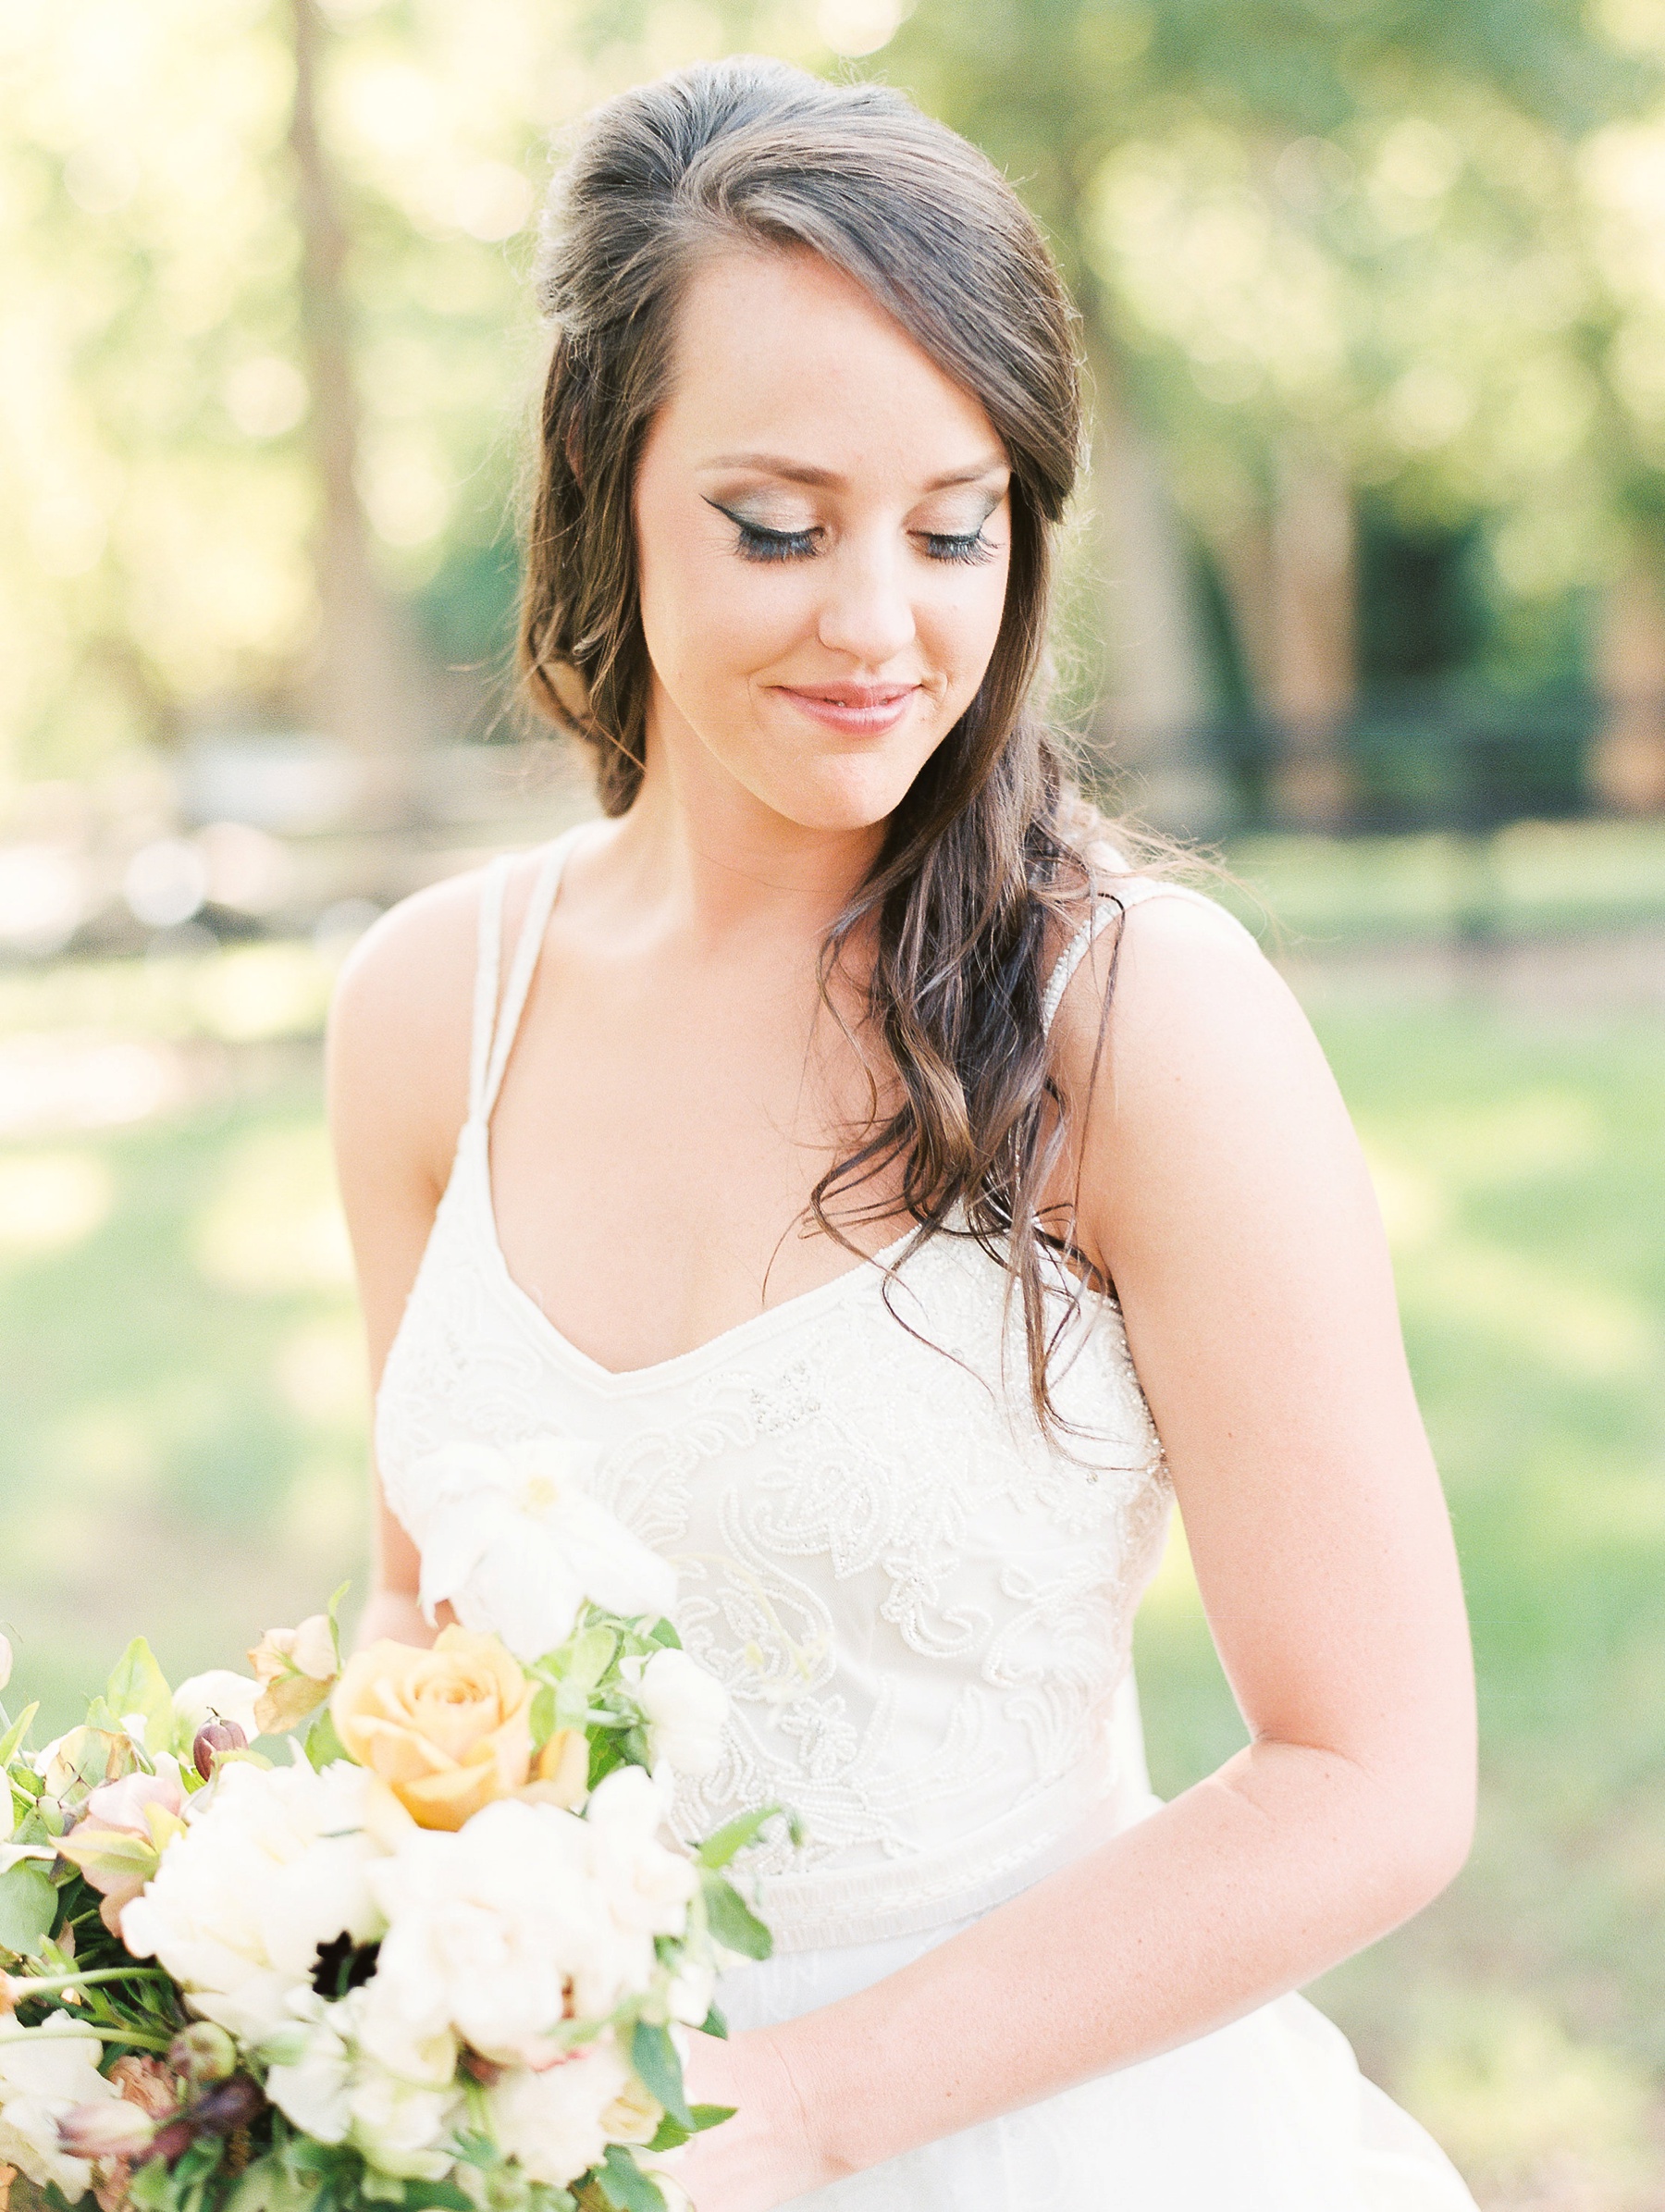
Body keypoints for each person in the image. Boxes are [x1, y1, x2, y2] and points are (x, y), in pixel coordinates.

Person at [327, 56, 1480, 2212]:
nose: (882, 624)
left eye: (955, 528)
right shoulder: (426, 1013)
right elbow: (423, 1616)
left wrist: (809, 2107)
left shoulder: (1135, 1016)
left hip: (1047, 2139)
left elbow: (1375, 1772)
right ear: (604, 478)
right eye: (779, 526)